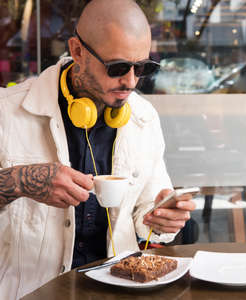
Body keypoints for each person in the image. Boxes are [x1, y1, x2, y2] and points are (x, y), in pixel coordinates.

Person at [0, 0, 195, 299]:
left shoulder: (144, 118)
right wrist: (19, 181)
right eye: (117, 67)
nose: (130, 82)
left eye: (142, 67)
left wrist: (164, 219)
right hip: (27, 292)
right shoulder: (7, 112)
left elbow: (148, 217)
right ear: (77, 51)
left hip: (121, 291)